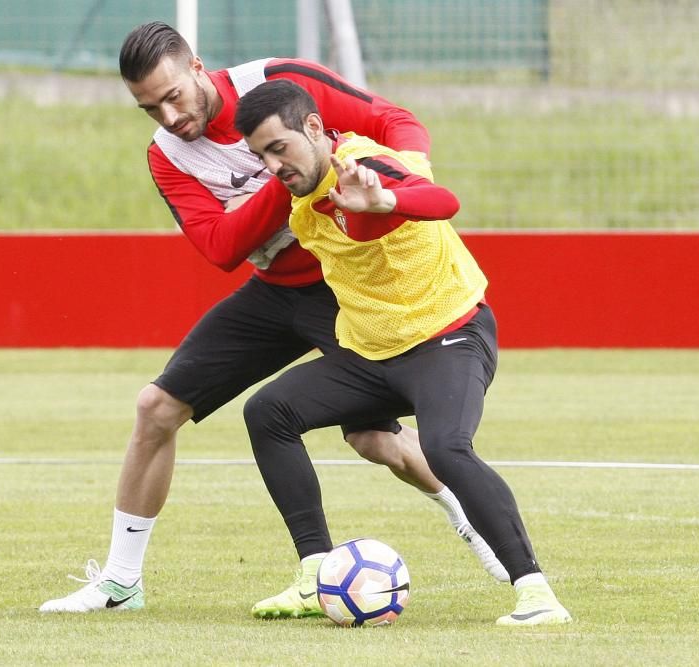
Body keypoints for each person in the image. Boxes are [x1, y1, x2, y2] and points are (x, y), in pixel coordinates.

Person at [39, 22, 507, 618]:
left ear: (198, 68)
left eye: (173, 95)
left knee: (372, 437)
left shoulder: (281, 83)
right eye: (148, 107)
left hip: (344, 289)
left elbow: (395, 121)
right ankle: (121, 583)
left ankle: (474, 527)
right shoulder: (167, 157)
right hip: (272, 294)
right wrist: (295, 177)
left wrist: (406, 176)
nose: (167, 115)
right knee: (156, 408)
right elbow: (220, 246)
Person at [233, 79, 573, 626]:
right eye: (260, 156)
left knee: (446, 449)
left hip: (449, 337)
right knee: (269, 411)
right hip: (371, 355)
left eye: (280, 148)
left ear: (315, 128)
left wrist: (385, 198)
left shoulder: (365, 164)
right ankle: (315, 570)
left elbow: (444, 201)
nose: (273, 165)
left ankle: (536, 594)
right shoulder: (302, 204)